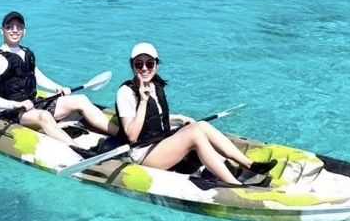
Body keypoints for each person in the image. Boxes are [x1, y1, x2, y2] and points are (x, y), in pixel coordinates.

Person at [115, 43, 274, 186]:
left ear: (157, 65)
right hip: (144, 154)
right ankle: (233, 184)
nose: (144, 68)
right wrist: (143, 100)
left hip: (160, 143)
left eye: (149, 63)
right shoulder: (126, 93)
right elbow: (132, 136)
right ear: (132, 66)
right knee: (194, 134)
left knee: (201, 126)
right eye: (139, 64)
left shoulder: (155, 85)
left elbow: (153, 119)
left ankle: (250, 165)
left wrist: (178, 118)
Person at [0, 11, 118, 147]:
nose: (15, 30)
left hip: (33, 104)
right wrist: (17, 105)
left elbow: (37, 76)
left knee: (81, 99)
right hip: (10, 112)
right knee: (44, 116)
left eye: (19, 27)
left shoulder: (27, 53)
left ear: (24, 31)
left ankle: (123, 135)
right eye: (9, 27)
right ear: (2, 31)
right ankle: (79, 150)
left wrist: (57, 87)